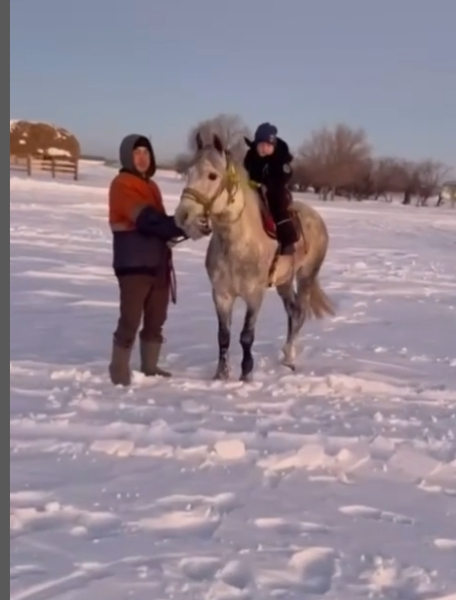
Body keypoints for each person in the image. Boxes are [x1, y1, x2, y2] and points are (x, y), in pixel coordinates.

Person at [108, 133, 186, 386]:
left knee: (156, 319)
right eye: (137, 153)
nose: (142, 158)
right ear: (127, 156)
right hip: (134, 264)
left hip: (158, 263)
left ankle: (149, 366)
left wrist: (184, 227)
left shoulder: (152, 186)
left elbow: (161, 224)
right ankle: (118, 370)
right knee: (130, 319)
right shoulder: (122, 184)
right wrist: (179, 225)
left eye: (146, 153)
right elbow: (146, 219)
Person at [244, 122, 298, 255]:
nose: (265, 149)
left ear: (274, 146)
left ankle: (287, 239)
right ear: (256, 145)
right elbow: (246, 171)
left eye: (268, 146)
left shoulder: (280, 158)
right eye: (261, 146)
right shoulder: (251, 157)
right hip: (252, 189)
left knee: (277, 202)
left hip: (273, 190)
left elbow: (285, 175)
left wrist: (267, 184)